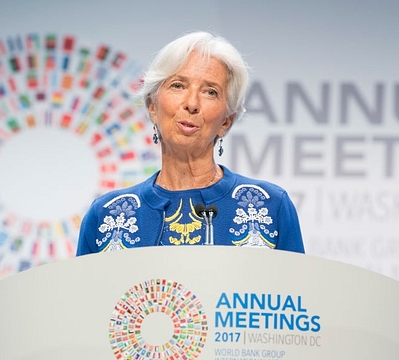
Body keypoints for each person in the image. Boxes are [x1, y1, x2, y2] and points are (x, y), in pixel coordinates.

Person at [76, 31, 305, 255]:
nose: (192, 103)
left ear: (226, 121)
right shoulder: (106, 215)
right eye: (178, 85)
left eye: (210, 92)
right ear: (153, 106)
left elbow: (297, 293)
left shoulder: (270, 205)